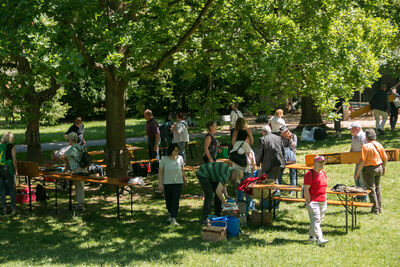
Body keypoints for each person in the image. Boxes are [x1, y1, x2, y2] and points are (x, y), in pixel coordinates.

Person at [355, 129, 387, 214]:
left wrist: (357, 173)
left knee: (371, 189)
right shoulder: (379, 144)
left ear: (366, 137)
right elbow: (385, 157)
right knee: (378, 188)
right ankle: (379, 208)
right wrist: (384, 167)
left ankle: (375, 209)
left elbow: (362, 160)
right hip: (379, 167)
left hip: (369, 169)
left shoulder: (365, 146)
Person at [158, 144, 187, 226]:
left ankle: (173, 217)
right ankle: (170, 214)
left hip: (178, 182)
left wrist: (185, 180)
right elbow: (160, 172)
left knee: (175, 200)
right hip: (167, 183)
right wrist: (160, 183)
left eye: (178, 150)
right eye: (175, 150)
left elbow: (182, 171)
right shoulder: (164, 159)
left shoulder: (180, 158)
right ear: (171, 150)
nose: (176, 152)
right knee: (168, 200)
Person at [304, 156, 328, 246]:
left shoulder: (323, 173)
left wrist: (325, 199)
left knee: (317, 220)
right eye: (319, 163)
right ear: (315, 163)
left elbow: (324, 187)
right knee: (316, 220)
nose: (321, 165)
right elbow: (306, 189)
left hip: (322, 200)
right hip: (313, 201)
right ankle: (319, 238)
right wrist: (308, 202)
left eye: (323, 163)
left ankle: (311, 236)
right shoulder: (309, 174)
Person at [231, 130, 256, 215]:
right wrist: (253, 166)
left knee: (239, 191)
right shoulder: (244, 144)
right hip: (245, 171)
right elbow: (250, 156)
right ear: (246, 137)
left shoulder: (235, 144)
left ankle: (239, 211)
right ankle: (246, 211)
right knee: (248, 191)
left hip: (236, 171)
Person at [62, 132, 87, 210]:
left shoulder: (72, 148)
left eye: (68, 140)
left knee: (78, 186)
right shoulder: (82, 147)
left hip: (77, 170)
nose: (68, 142)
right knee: (80, 186)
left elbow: (63, 156)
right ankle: (80, 203)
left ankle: (80, 205)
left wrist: (56, 154)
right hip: (84, 168)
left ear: (71, 140)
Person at [348, 122, 368, 201]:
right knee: (356, 178)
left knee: (361, 179)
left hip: (363, 161)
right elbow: (352, 148)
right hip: (357, 161)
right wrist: (350, 157)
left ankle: (364, 197)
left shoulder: (363, 136)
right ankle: (359, 195)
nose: (350, 131)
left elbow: (365, 149)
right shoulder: (354, 137)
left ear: (357, 129)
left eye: (352, 130)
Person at [0, 132, 18, 215]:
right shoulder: (11, 146)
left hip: (0, 168)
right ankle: (13, 208)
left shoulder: (0, 145)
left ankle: (4, 208)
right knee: (12, 188)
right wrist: (16, 169)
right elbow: (14, 159)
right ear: (10, 139)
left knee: (2, 189)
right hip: (8, 168)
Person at [144, 109, 160, 174]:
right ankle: (152, 169)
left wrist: (156, 145)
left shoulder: (153, 123)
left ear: (149, 115)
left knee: (155, 155)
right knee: (151, 154)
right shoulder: (148, 121)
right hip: (150, 139)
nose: (144, 117)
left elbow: (157, 134)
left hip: (154, 140)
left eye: (145, 115)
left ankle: (156, 170)